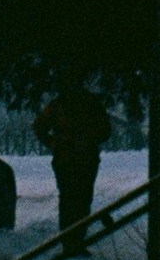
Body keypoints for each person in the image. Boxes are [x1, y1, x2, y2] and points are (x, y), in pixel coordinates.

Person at [34, 91, 111, 248]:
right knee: (82, 199)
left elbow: (39, 126)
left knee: (69, 200)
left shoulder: (58, 104)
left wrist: (54, 143)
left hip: (67, 159)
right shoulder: (91, 103)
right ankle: (77, 240)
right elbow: (105, 131)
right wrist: (89, 139)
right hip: (84, 159)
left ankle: (70, 241)